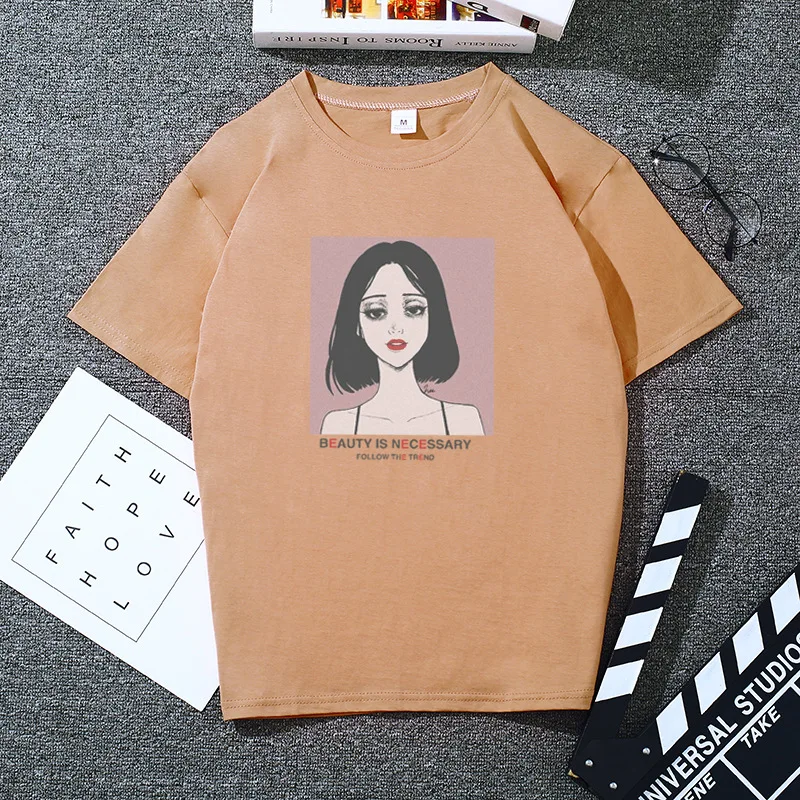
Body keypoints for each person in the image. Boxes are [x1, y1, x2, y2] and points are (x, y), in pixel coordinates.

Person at [321, 240, 485, 436]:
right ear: (357, 325)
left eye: (414, 309)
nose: (396, 327)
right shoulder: (339, 425)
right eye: (376, 312)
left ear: (433, 317)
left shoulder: (463, 420)